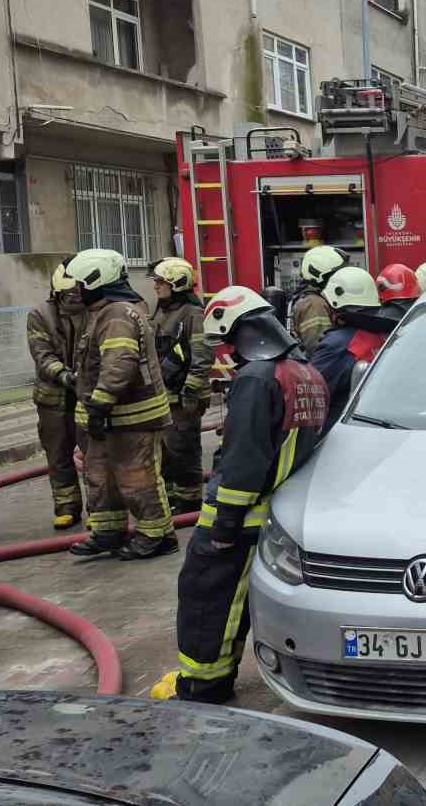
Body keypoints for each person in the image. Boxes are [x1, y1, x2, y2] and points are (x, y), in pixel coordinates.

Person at [150, 286, 330, 703]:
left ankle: (200, 684)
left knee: (206, 596)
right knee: (233, 603)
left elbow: (245, 458)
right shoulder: (305, 372)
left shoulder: (256, 377)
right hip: (275, 510)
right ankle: (212, 676)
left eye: (226, 343)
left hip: (239, 512)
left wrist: (225, 521)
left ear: (238, 332)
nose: (226, 354)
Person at [65, 248, 178, 560]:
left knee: (136, 477)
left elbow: (120, 363)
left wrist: (100, 405)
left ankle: (157, 536)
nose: (75, 292)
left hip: (132, 417)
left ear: (95, 282)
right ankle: (108, 532)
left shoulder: (117, 314)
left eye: (79, 285)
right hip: (111, 417)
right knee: (101, 477)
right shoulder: (102, 313)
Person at [148, 258, 212, 518]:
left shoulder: (192, 313)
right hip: (165, 395)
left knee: (184, 449)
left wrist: (190, 392)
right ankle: (173, 496)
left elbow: (202, 355)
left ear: (176, 283)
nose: (156, 287)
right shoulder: (162, 311)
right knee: (166, 450)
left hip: (184, 397)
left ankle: (190, 500)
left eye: (160, 282)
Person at [26, 261, 86, 530]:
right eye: (68, 291)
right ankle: (67, 507)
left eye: (78, 289)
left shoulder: (94, 310)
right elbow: (41, 353)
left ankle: (100, 508)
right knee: (59, 454)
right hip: (53, 396)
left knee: (93, 453)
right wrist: (63, 374)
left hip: (87, 393)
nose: (74, 294)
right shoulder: (40, 314)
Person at [312, 265, 404, 434]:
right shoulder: (389, 335)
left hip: (336, 437)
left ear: (335, 303)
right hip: (384, 428)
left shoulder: (337, 344)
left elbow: (312, 397)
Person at [289, 245, 348, 353]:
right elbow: (320, 350)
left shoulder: (320, 298)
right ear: (319, 275)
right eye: (336, 274)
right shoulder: (314, 305)